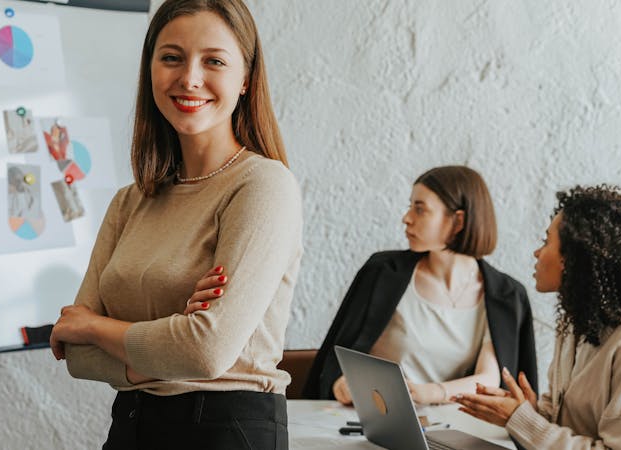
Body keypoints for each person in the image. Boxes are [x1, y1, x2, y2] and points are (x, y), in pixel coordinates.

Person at [48, 1, 302, 448]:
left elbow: (205, 351)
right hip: (132, 427)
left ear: (245, 79)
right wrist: (168, 342)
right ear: (150, 71)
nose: (189, 78)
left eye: (214, 61)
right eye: (171, 57)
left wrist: (95, 327)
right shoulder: (130, 201)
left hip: (227, 431)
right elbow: (77, 357)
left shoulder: (263, 185)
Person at [457, 185, 621, 449]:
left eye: (546, 242)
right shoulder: (578, 324)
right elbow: (570, 424)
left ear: (574, 260)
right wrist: (529, 412)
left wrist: (520, 419)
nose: (537, 253)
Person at [302, 166, 538, 404]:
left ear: (458, 221)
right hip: (373, 418)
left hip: (454, 427)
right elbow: (338, 358)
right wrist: (341, 384)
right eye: (410, 206)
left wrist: (428, 393)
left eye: (420, 209)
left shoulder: (505, 295)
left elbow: (489, 379)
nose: (407, 218)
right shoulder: (383, 272)